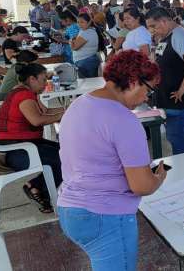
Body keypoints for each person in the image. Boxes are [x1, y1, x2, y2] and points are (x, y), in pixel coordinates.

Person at [57, 50, 166, 271]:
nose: (147, 98)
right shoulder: (124, 120)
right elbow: (141, 185)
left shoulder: (79, 104)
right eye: (149, 90)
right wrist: (158, 178)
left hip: (69, 209)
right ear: (134, 81)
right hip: (105, 217)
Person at [0, 63, 64, 213]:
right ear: (32, 79)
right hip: (15, 150)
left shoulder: (26, 92)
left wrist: (69, 108)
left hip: (24, 144)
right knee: (65, 158)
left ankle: (36, 186)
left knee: (67, 152)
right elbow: (37, 120)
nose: (46, 84)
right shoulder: (24, 95)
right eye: (44, 80)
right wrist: (62, 115)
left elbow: (45, 111)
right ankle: (38, 189)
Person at [145, 8, 184, 155]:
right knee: (174, 135)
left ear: (164, 21)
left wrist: (182, 88)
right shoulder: (166, 35)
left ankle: (183, 167)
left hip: (177, 99)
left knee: (177, 137)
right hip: (165, 97)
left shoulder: (180, 35)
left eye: (153, 26)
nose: (151, 30)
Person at [71, 13, 103, 78]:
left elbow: (74, 47)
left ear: (89, 22)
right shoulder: (88, 30)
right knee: (91, 84)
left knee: (88, 85)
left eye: (82, 22)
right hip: (87, 61)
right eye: (78, 22)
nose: (79, 24)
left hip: (85, 62)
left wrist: (71, 41)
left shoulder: (86, 32)